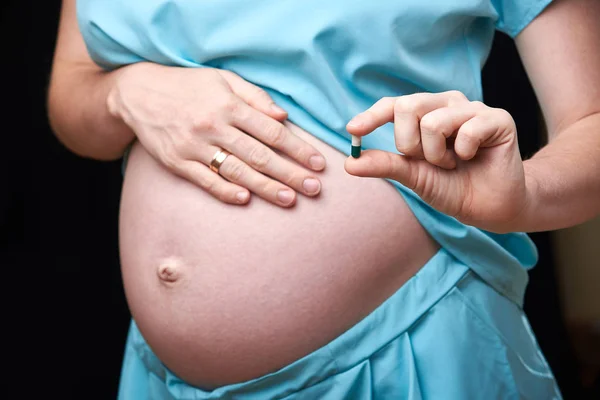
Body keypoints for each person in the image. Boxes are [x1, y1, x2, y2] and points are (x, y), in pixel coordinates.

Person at [48, 0, 599, 398]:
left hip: (408, 353)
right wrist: (125, 91)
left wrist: (525, 195)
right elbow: (71, 95)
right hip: (157, 377)